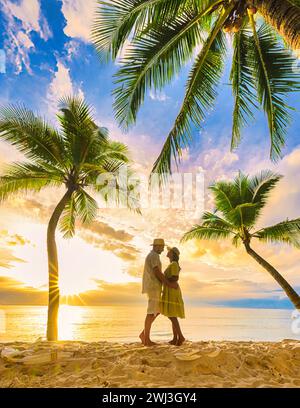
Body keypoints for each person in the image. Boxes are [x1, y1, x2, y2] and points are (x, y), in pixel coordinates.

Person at [139, 238, 178, 346]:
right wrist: (168, 284)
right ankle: (146, 340)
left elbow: (157, 272)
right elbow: (157, 272)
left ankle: (143, 334)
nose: (162, 249)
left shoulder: (152, 255)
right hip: (153, 286)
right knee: (151, 312)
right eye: (161, 247)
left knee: (158, 310)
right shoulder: (154, 256)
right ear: (156, 246)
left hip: (154, 286)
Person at [160, 247, 185, 346]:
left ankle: (181, 337)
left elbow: (175, 277)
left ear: (173, 253)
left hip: (172, 290)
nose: (167, 251)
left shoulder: (174, 264)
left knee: (172, 315)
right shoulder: (173, 264)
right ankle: (175, 338)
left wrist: (163, 278)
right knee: (172, 314)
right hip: (171, 290)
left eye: (169, 251)